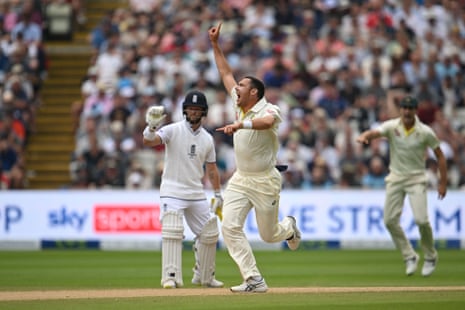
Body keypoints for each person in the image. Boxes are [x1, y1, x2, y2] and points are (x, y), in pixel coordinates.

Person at [208, 22, 301, 293]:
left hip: (264, 180)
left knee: (269, 235)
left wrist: (241, 125)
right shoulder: (239, 104)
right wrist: (215, 44)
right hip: (241, 179)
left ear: (254, 93)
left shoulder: (269, 108)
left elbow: (266, 122)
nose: (235, 88)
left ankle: (290, 228)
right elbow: (225, 72)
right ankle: (254, 279)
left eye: (242, 86)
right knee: (230, 227)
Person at [356, 95, 447, 277]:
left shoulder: (425, 132)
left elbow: (440, 156)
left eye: (410, 108)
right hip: (396, 178)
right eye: (404, 108)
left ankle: (430, 256)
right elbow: (376, 133)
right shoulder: (392, 126)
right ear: (401, 110)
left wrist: (442, 182)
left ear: (415, 110)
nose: (406, 112)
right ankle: (409, 255)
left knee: (421, 220)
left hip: (416, 179)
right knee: (389, 220)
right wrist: (366, 135)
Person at [142, 90, 224, 289]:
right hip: (172, 190)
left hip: (196, 192)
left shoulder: (207, 139)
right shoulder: (172, 130)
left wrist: (218, 193)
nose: (193, 112)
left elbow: (211, 169)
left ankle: (204, 276)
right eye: (190, 108)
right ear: (184, 110)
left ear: (203, 112)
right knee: (172, 228)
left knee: (210, 231)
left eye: (197, 109)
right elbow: (149, 141)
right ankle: (170, 276)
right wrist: (151, 127)